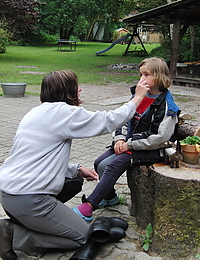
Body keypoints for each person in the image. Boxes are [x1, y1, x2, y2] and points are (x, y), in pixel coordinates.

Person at [0, 70, 149, 260]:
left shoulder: (36, 112)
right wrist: (137, 98)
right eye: (74, 86)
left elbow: (37, 157)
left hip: (8, 193)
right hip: (28, 198)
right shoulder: (64, 113)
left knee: (74, 181)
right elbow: (108, 121)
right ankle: (14, 235)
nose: (79, 89)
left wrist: (76, 169)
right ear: (66, 91)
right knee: (81, 237)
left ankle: (40, 221)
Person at [73, 57, 181, 221]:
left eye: (146, 75)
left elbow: (158, 138)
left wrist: (128, 144)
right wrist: (119, 140)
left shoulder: (166, 106)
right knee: (99, 163)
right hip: (129, 144)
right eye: (140, 75)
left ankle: (89, 206)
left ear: (160, 76)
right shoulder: (138, 97)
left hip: (153, 150)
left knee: (113, 165)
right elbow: (123, 119)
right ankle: (110, 197)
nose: (141, 79)